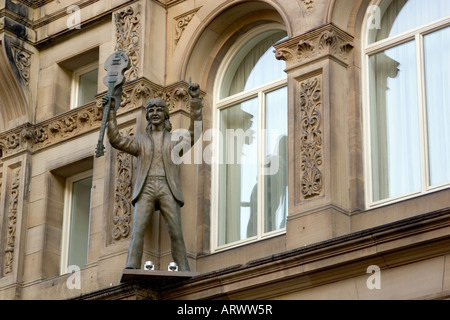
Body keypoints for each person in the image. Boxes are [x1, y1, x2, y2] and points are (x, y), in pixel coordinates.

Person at [103, 81, 202, 271]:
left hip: (167, 187)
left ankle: (183, 267)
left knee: (175, 231)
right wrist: (111, 113)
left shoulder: (174, 140)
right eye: (151, 111)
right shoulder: (140, 141)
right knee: (138, 230)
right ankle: (132, 265)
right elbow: (116, 139)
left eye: (159, 110)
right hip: (146, 188)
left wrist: (195, 100)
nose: (155, 113)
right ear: (147, 116)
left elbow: (195, 132)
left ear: (166, 114)